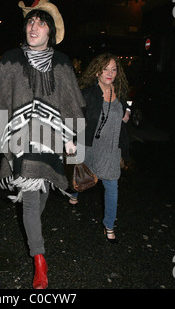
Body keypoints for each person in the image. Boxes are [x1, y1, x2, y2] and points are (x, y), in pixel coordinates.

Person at [0, 0, 85, 289]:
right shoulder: (10, 59)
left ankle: (34, 236)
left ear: (50, 32)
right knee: (29, 200)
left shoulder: (62, 62)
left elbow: (71, 102)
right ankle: (39, 260)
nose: (34, 27)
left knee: (40, 197)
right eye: (30, 21)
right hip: (20, 140)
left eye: (41, 23)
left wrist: (70, 137)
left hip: (51, 141)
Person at [70, 53, 130, 245]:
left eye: (113, 69)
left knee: (112, 185)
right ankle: (74, 192)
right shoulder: (88, 93)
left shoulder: (120, 92)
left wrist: (128, 111)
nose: (110, 73)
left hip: (112, 149)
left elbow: (129, 104)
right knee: (81, 174)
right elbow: (74, 117)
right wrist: (70, 140)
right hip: (89, 145)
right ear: (97, 71)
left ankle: (109, 225)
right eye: (106, 69)